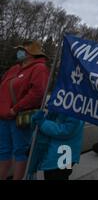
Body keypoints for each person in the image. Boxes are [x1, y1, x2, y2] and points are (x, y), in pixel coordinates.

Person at [0, 40, 49, 180]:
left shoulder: (40, 68)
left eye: (22, 50)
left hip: (19, 118)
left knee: (20, 151)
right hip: (3, 117)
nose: (19, 52)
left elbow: (37, 93)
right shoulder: (14, 68)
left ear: (31, 54)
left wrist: (15, 109)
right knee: (3, 151)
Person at [29, 110, 84, 180]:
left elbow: (67, 130)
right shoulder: (59, 103)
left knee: (57, 175)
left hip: (61, 155)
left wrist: (43, 123)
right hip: (54, 154)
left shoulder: (75, 108)